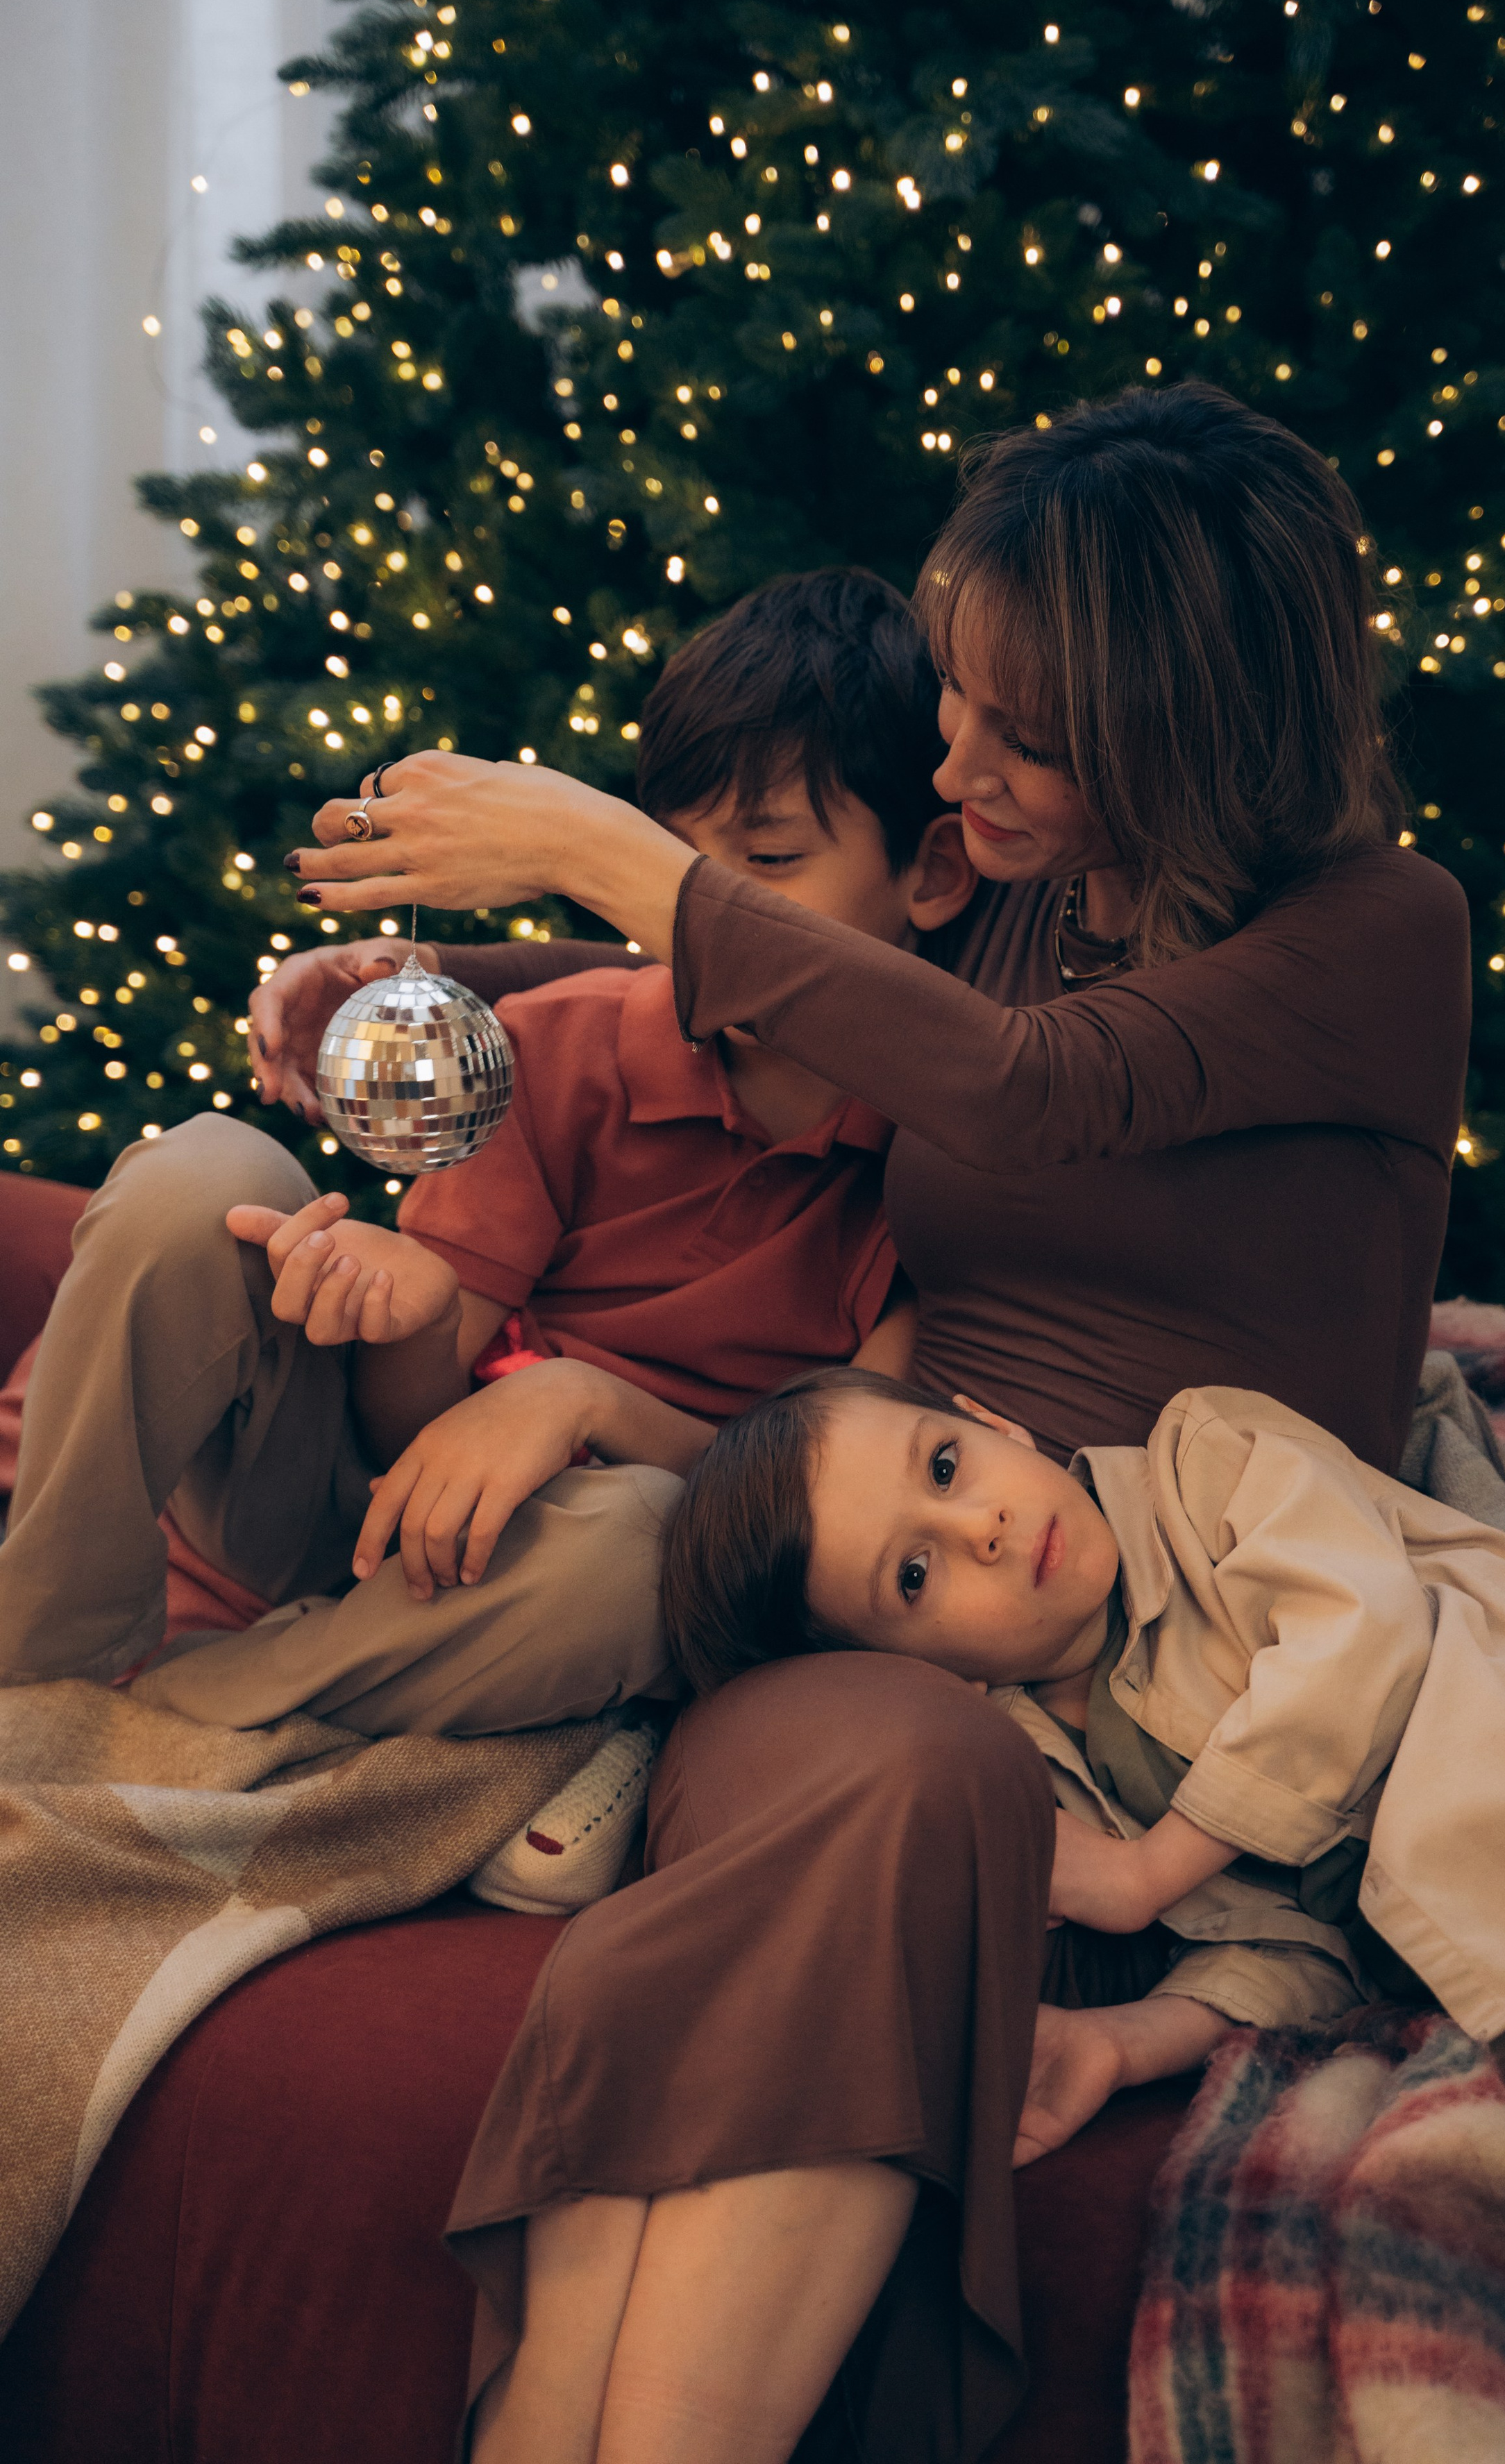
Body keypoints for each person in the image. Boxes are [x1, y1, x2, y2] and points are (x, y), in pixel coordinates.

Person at [262, 383, 1475, 2463]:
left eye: (1020, 730)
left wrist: (598, 851)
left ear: (1183, 732)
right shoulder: (1012, 878)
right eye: (961, 704)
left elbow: (1029, 1088)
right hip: (868, 1554)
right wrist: (400, 987)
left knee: (911, 1798)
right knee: (871, 1750)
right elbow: (786, 976)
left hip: (1146, 1641)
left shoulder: (1375, 937)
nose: (953, 763)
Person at [0, 568, 973, 1740]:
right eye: (665, 869)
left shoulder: (927, 1176)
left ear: (932, 874)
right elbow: (398, 1441)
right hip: (342, 1505)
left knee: (634, 1547)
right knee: (203, 1174)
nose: (694, 918)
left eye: (764, 866)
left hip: (548, 1585)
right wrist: (407, 1318)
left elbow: (817, 1511)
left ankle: (157, 1724)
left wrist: (585, 1403)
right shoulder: (561, 1050)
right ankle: (32, 1664)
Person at [659, 1362, 1505, 2273]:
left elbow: (1363, 1637)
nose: (981, 1529)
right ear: (919, 1680)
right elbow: (1295, 1942)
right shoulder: (1049, 1776)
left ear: (990, 1420)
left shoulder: (1209, 1462)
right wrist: (1127, 2039)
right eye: (914, 1575)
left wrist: (1150, 1871)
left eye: (947, 1468)